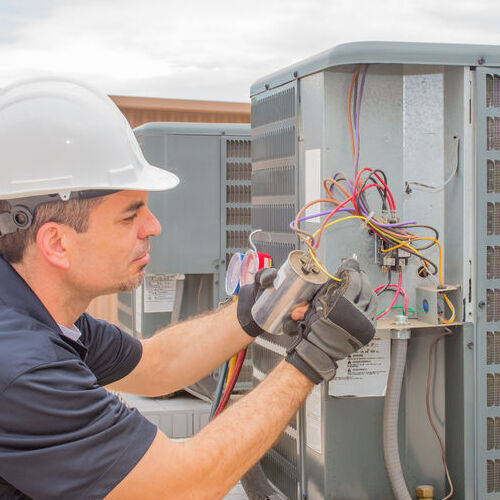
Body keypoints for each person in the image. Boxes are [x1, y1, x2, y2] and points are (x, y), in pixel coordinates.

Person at [0, 79, 377, 500]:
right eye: (130, 216)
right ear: (57, 243)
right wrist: (311, 360)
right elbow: (181, 487)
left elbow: (157, 364)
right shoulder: (21, 366)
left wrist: (251, 311)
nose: (153, 227)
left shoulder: (45, 316)